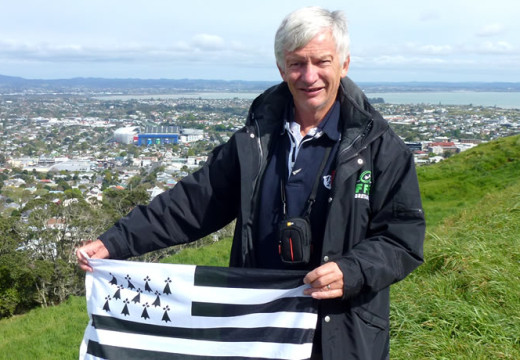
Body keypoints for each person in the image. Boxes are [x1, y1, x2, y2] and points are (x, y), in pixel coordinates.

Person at [77, 6, 425, 359]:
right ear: (281, 68)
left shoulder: (380, 148)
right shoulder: (255, 139)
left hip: (341, 332)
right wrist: (114, 242)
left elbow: (402, 238)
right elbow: (193, 203)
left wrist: (351, 271)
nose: (309, 76)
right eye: (296, 64)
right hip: (259, 329)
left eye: (322, 61)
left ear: (344, 64)